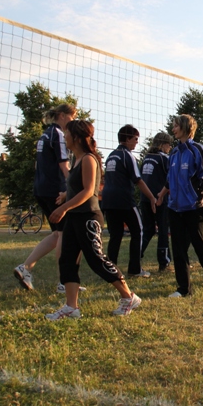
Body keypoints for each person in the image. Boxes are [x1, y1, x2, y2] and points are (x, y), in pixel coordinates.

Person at [45, 120, 141, 320]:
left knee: (96, 259)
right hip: (74, 216)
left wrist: (63, 208)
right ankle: (71, 307)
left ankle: (128, 297)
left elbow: (89, 191)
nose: (64, 137)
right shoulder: (76, 159)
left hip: (88, 217)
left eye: (67, 134)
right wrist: (66, 195)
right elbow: (78, 187)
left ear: (76, 137)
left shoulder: (89, 159)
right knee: (67, 260)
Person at [14, 103, 77, 292]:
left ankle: (25, 267)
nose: (73, 121)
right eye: (72, 117)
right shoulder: (58, 134)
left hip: (41, 189)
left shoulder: (44, 135)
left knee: (57, 234)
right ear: (63, 115)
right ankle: (64, 282)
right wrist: (73, 187)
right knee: (65, 235)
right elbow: (64, 165)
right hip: (56, 191)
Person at [156, 114, 203, 297]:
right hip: (174, 208)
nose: (173, 129)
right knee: (178, 249)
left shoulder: (197, 149)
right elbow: (170, 179)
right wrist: (161, 195)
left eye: (176, 126)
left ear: (186, 127)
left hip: (194, 206)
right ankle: (184, 289)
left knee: (199, 244)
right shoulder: (174, 153)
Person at [102, 125, 156, 278]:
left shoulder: (111, 155)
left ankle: (110, 270)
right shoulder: (127, 155)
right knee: (138, 231)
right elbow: (138, 180)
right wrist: (152, 197)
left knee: (115, 235)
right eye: (135, 139)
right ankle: (135, 269)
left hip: (108, 200)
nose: (137, 142)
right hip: (124, 200)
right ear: (127, 139)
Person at [139, 132, 173, 272]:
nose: (170, 147)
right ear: (163, 144)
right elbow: (170, 179)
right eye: (169, 144)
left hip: (145, 198)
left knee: (148, 230)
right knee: (163, 230)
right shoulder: (164, 158)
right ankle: (164, 263)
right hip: (160, 198)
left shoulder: (147, 158)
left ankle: (136, 257)